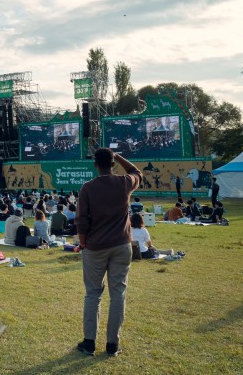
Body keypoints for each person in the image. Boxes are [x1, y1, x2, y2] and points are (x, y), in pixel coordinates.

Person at [75, 149, 141, 357]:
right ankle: (112, 344)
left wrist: (83, 243)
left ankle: (89, 342)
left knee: (93, 294)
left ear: (95, 164)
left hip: (95, 247)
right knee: (118, 294)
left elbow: (81, 221)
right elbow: (137, 172)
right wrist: (119, 156)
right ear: (113, 164)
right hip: (121, 244)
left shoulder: (87, 188)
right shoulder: (124, 182)